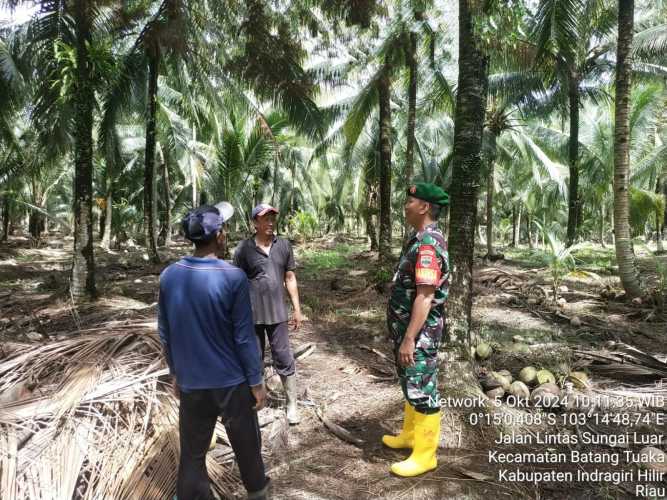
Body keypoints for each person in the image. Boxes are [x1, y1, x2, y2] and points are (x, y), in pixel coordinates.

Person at [158, 202, 271, 500]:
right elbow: (244, 338)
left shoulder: (170, 275)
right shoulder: (233, 278)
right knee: (247, 448)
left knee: (192, 456)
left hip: (192, 383)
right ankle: (258, 494)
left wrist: (175, 374)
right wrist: (256, 383)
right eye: (225, 228)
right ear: (219, 235)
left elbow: (166, 333)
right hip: (231, 384)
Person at [382, 183, 450, 477]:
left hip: (420, 334)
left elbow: (425, 296)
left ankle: (425, 455)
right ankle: (410, 435)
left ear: (424, 207)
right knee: (410, 382)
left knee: (423, 390)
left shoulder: (427, 245)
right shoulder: (419, 239)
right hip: (408, 332)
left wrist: (410, 338)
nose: (405, 205)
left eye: (410, 201)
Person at [233, 203, 303, 425]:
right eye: (265, 218)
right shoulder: (244, 249)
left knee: (283, 356)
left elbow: (289, 278)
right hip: (251, 316)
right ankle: (257, 400)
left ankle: (292, 404)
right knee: (254, 358)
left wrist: (297, 309)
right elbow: (235, 282)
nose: (270, 222)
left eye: (273, 217)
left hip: (278, 315)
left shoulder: (283, 245)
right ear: (255, 222)